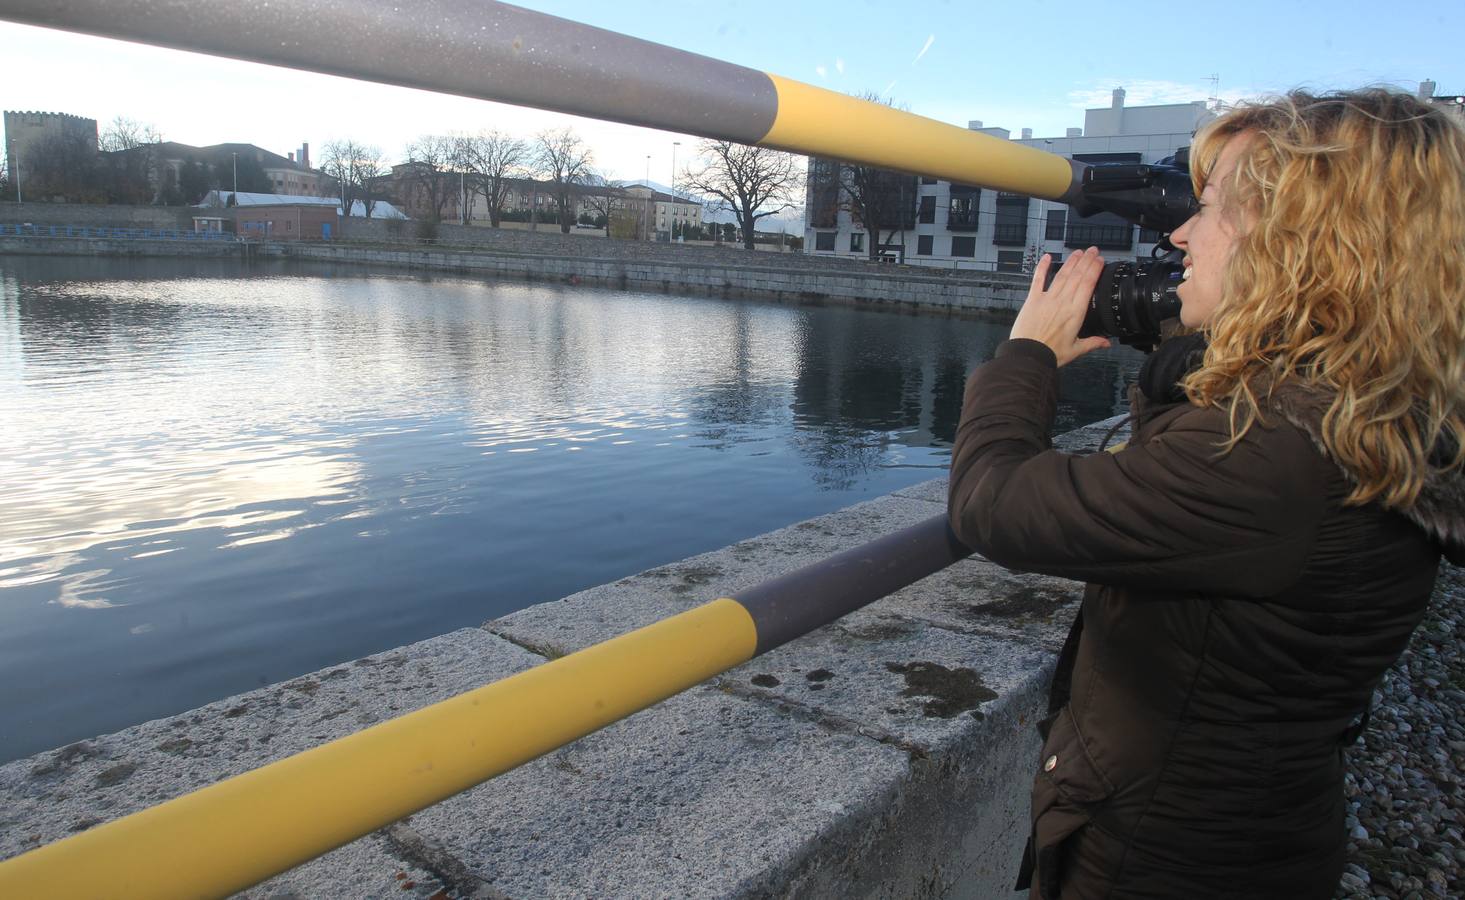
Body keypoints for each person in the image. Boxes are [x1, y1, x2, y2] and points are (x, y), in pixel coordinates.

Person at [946, 89, 1465, 899]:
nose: (1181, 234)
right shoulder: (1369, 404)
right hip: (1253, 828)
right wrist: (1198, 351)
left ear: (1302, 243)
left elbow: (992, 502)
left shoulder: (1265, 451)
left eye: (1212, 208)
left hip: (1164, 857)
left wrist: (1024, 358)